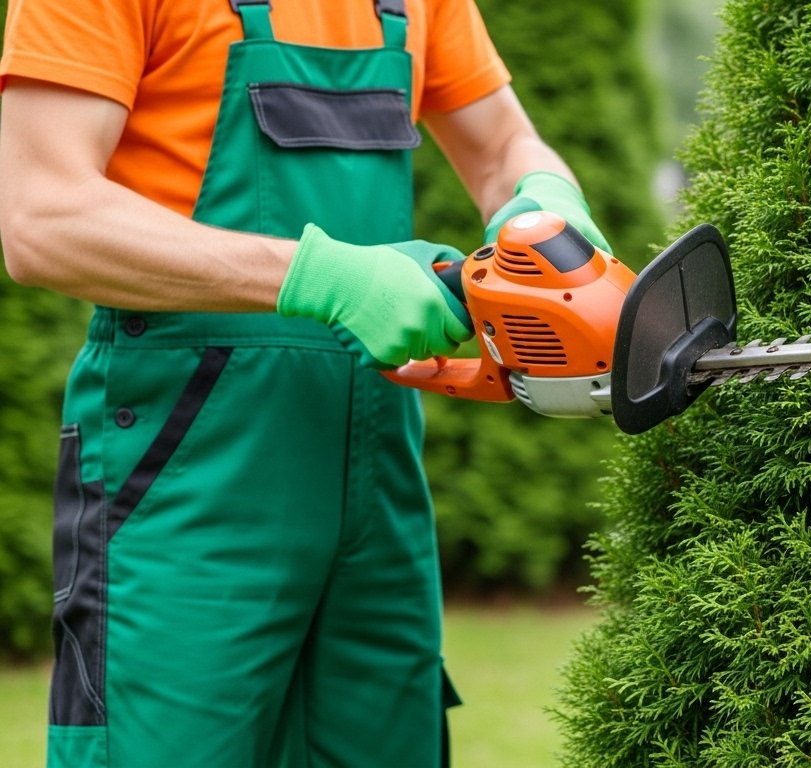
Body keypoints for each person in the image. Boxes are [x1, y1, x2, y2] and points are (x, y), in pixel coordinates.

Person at [0, 0, 611, 765]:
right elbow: (41, 217)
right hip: (184, 478)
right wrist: (320, 275)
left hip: (377, 489)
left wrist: (547, 202)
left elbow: (501, 147)